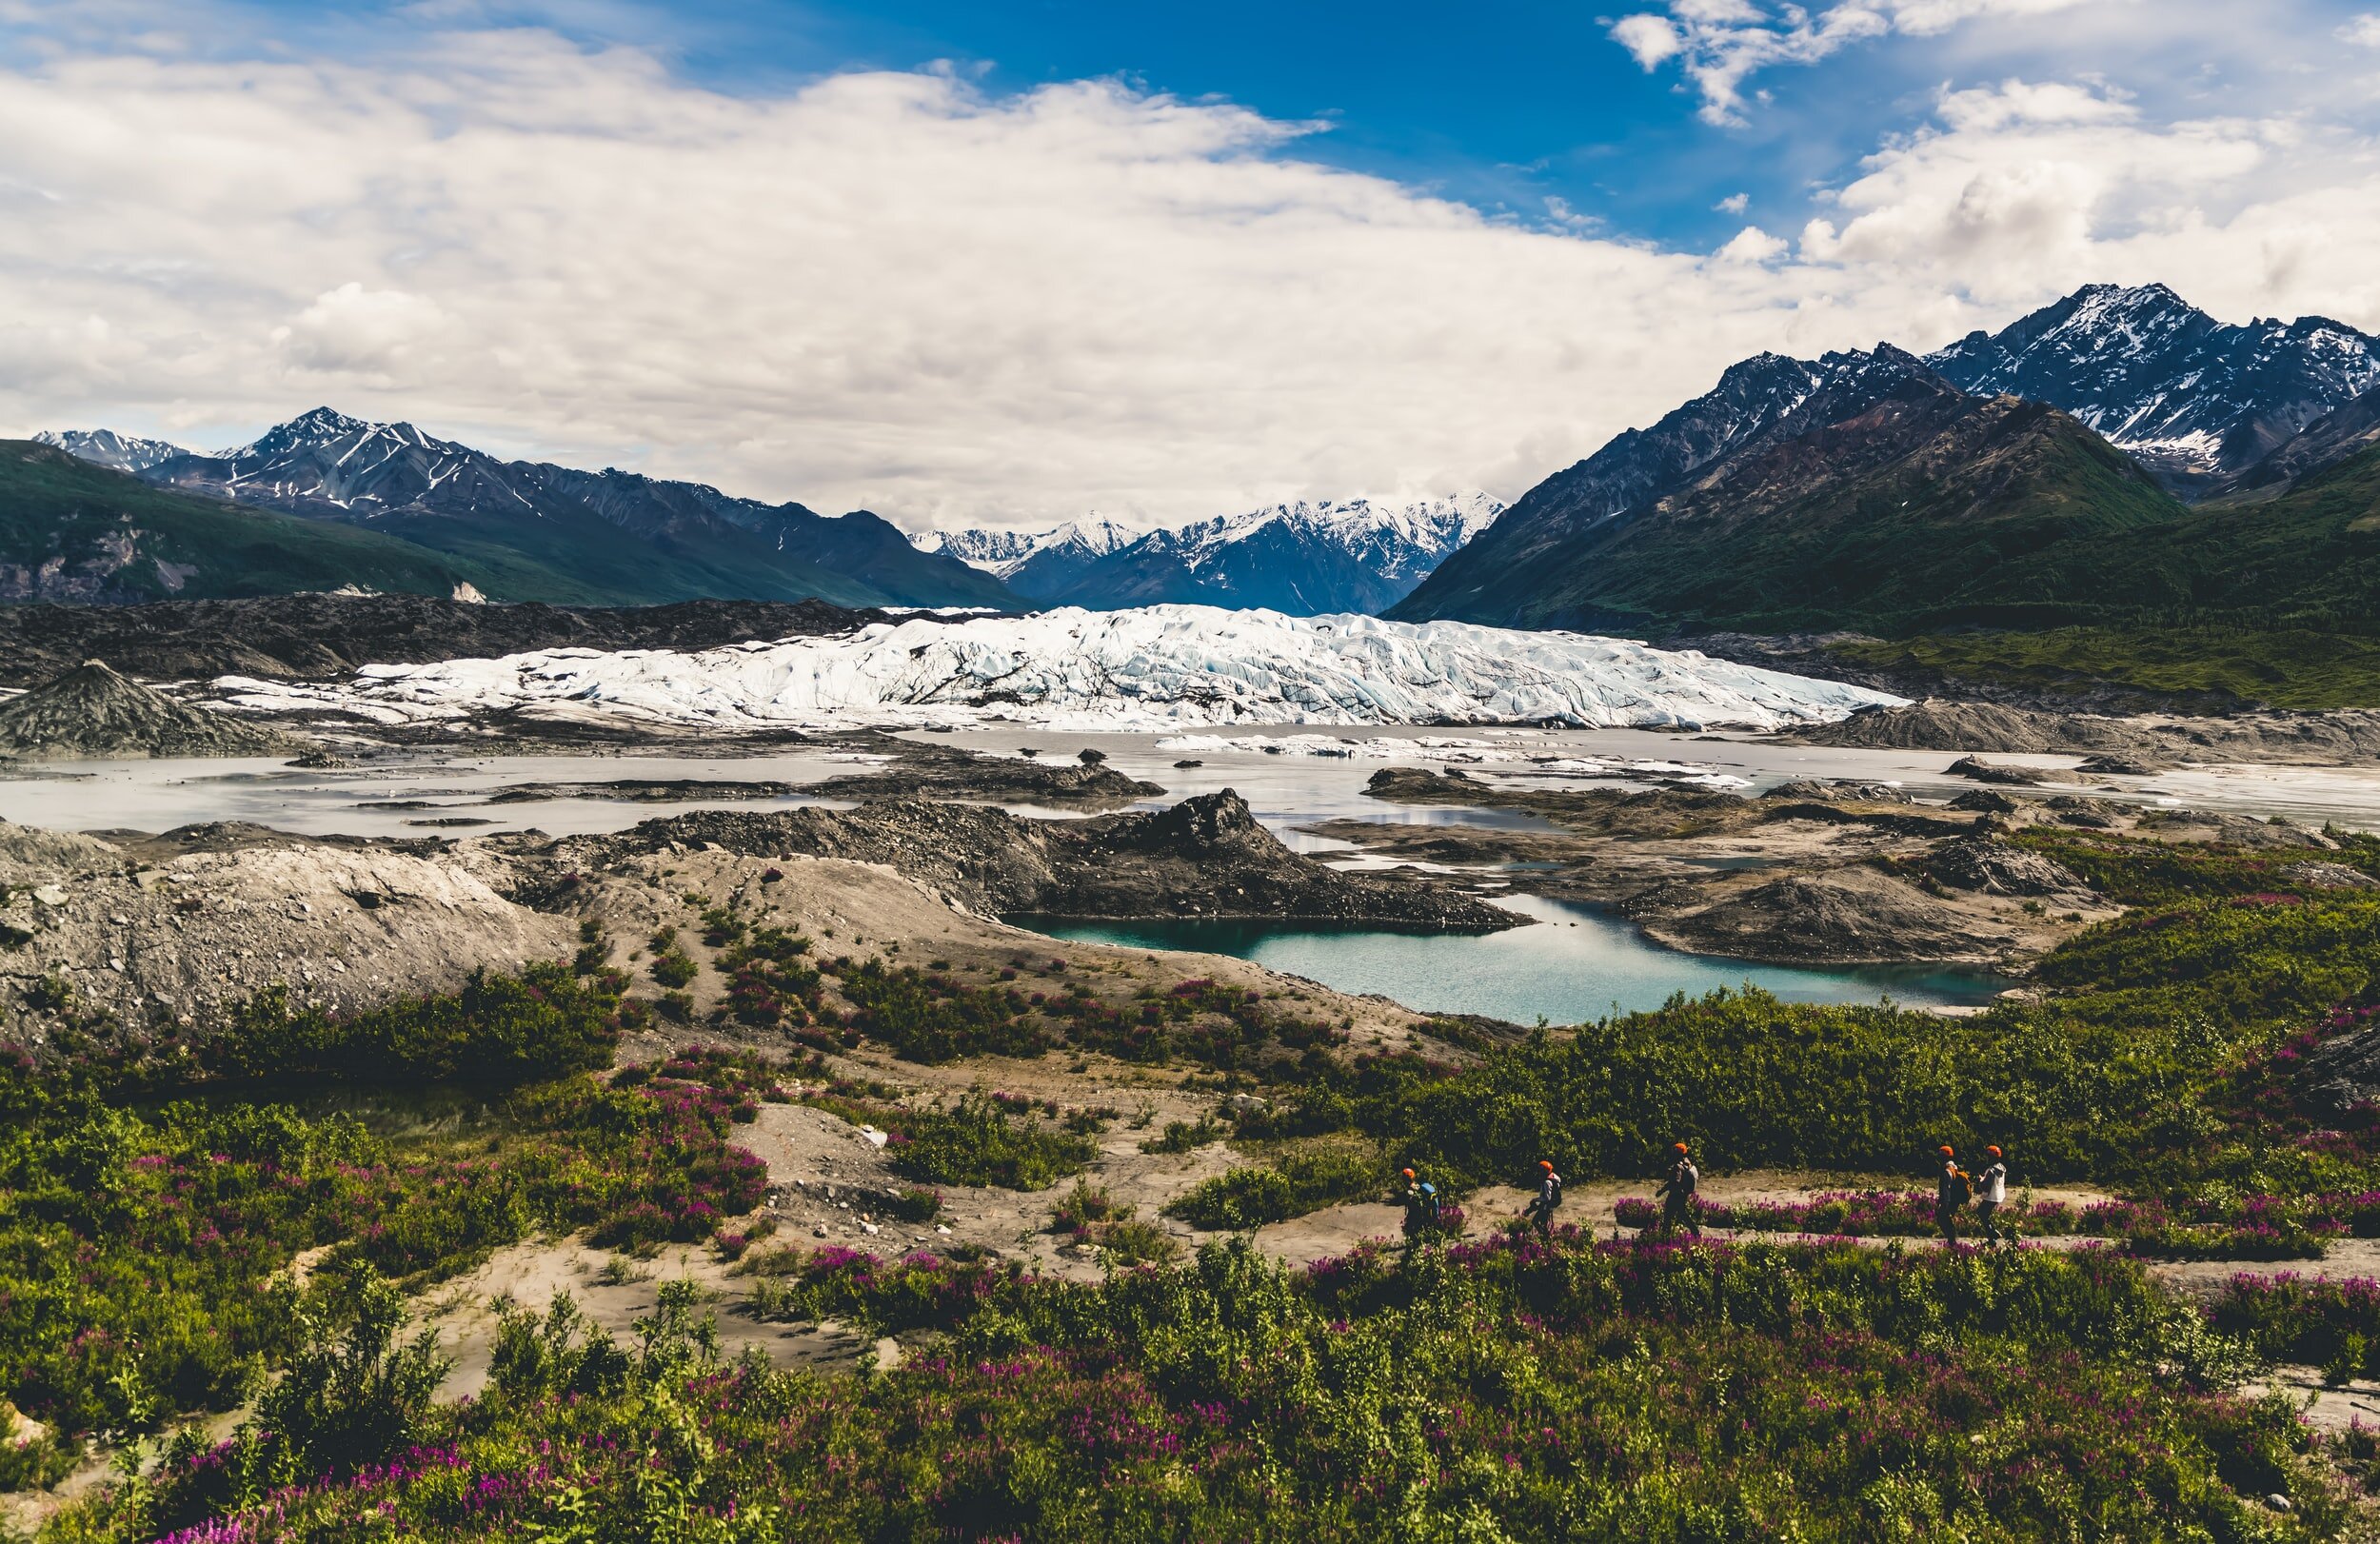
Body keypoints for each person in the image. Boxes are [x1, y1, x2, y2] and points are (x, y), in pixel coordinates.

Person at [1656, 1142, 1700, 1238]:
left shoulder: (1677, 1167)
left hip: (1675, 1196)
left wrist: (1662, 1190)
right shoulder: (1687, 1163)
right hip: (1682, 1195)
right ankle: (1696, 1233)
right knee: (1682, 1215)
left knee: (1668, 1216)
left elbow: (1675, 1181)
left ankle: (1665, 1236)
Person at [1935, 1145, 1971, 1244]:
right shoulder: (1953, 1167)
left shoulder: (1947, 1171)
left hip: (1950, 1199)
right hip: (1954, 1198)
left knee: (1942, 1218)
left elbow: (1946, 1188)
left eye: (1941, 1156)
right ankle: (1952, 1239)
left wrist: (1944, 1203)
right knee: (1946, 1218)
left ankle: (1952, 1239)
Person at [1975, 1145, 2011, 1246]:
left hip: (1990, 1196)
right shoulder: (2001, 1169)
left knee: (1981, 1213)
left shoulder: (1991, 1171)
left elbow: (1986, 1187)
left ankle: (1993, 1234)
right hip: (1997, 1196)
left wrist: (1980, 1180)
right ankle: (1992, 1237)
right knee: (1984, 1215)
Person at [1523, 1158, 1562, 1237]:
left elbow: (1547, 1198)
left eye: (1541, 1171)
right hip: (1552, 1202)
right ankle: (1546, 1235)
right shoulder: (1554, 1177)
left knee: (1536, 1221)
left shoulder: (1547, 1182)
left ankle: (1545, 1237)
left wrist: (1535, 1199)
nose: (1539, 1173)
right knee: (1541, 1219)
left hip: (1548, 1204)